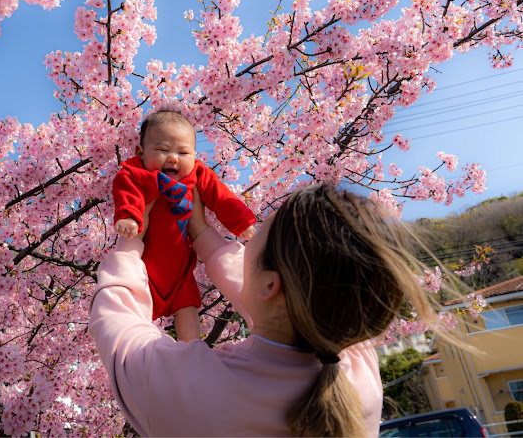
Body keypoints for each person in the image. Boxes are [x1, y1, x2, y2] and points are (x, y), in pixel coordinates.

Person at [90, 183, 444, 436]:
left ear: (270, 285)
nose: (247, 238)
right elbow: (281, 298)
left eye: (260, 232)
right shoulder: (357, 370)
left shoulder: (187, 390)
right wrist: (200, 232)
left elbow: (118, 319)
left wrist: (131, 241)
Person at [112, 109, 256, 341]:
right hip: (144, 267)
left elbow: (220, 196)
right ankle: (144, 348)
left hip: (180, 271)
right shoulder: (136, 172)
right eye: (162, 150)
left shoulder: (198, 174)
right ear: (141, 152)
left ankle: (190, 348)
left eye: (183, 152)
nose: (174, 158)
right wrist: (129, 216)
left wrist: (240, 221)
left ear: (195, 155)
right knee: (135, 306)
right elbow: (126, 188)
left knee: (187, 307)